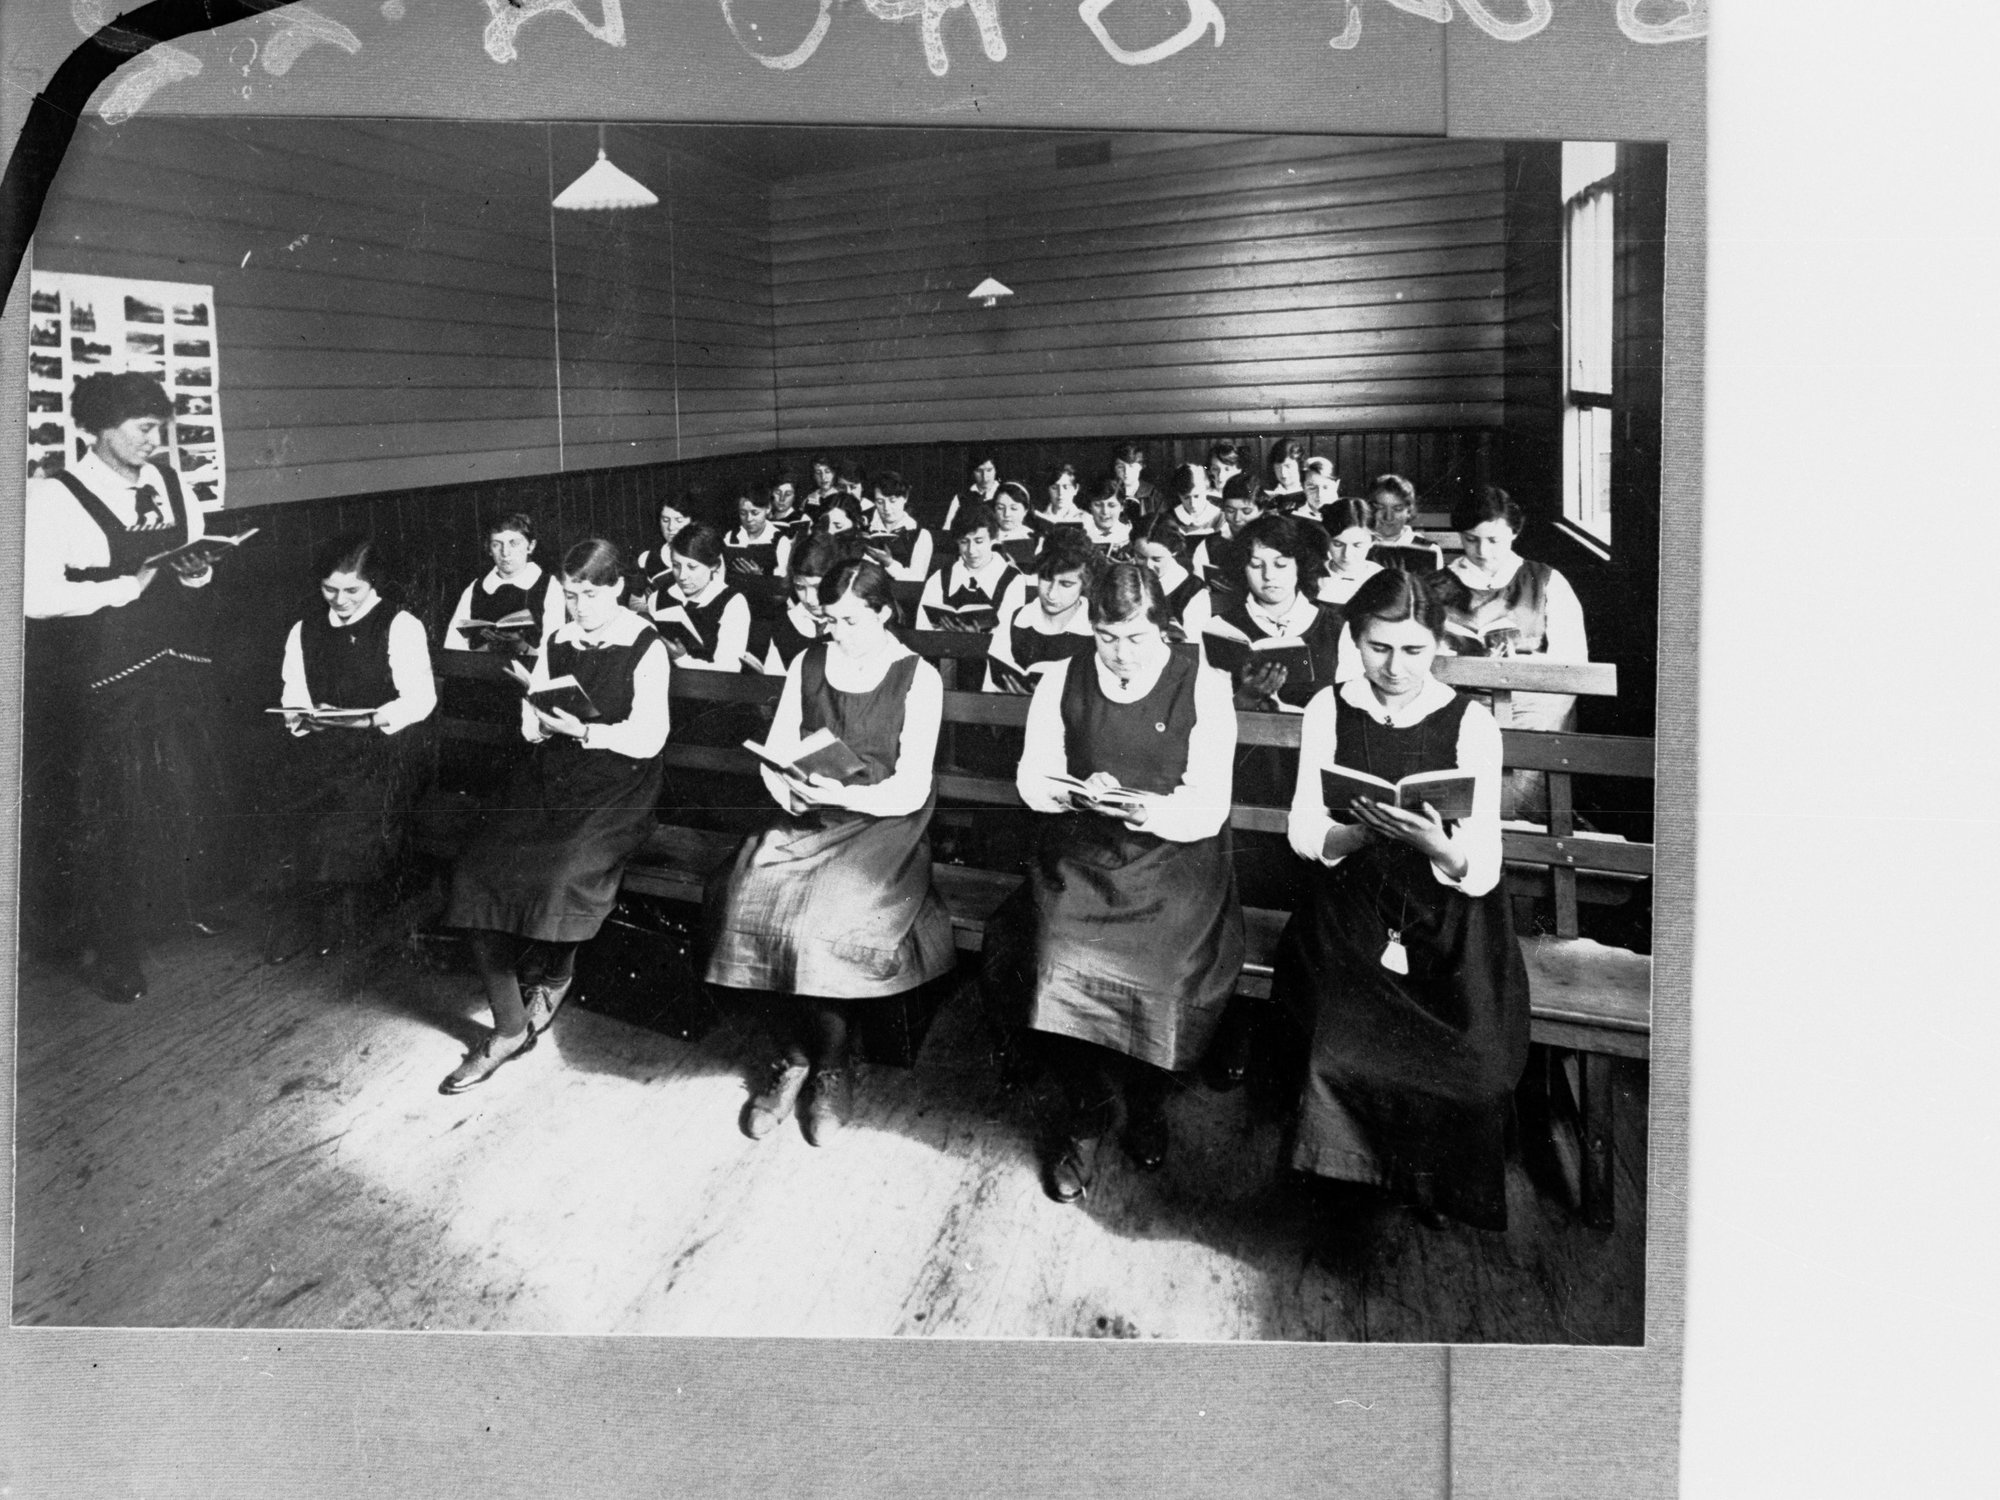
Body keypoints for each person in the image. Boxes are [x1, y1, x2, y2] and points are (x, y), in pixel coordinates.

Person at [1270, 567, 1528, 1237]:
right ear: (1355, 638)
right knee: (1340, 1038)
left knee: (1471, 1062)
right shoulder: (1329, 707)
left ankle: (1429, 1172)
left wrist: (1439, 846)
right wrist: (1356, 832)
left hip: (1447, 913)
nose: (1394, 666)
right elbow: (1303, 830)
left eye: (1413, 650)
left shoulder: (1470, 723)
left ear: (1436, 644)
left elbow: (1485, 863)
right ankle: (1350, 1183)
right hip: (1353, 897)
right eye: (1378, 647)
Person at [985, 563, 1243, 1202]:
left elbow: (1208, 804)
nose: (1120, 653)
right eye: (1105, 637)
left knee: (1165, 967)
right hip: (1083, 853)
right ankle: (1089, 1107)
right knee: (1050, 956)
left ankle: (1148, 1101)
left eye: (1134, 637)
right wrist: (1076, 793)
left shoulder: (1203, 685)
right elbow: (1032, 779)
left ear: (1162, 627)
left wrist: (1144, 808)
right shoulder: (1062, 678)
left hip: (1175, 856)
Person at [704, 559, 956, 1146]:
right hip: (810, 814)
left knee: (818, 922)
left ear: (883, 613)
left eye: (846, 621)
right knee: (740, 900)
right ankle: (793, 1057)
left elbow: (914, 782)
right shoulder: (808, 661)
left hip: (884, 824)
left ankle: (834, 1065)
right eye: (827, 619)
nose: (832, 632)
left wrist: (846, 792)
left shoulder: (917, 676)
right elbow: (782, 746)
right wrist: (790, 789)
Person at [21, 370, 231, 1002]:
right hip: (103, 679)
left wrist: (194, 574)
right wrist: (127, 586)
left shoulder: (173, 484)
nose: (154, 443)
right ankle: (113, 949)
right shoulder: (53, 496)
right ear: (101, 428)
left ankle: (178, 908)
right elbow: (32, 595)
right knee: (113, 816)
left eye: (159, 430)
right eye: (144, 429)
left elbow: (196, 570)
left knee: (183, 791)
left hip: (176, 665)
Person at [439, 540, 670, 1093]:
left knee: (563, 872)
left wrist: (585, 730)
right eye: (570, 595)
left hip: (620, 786)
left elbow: (650, 736)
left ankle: (558, 973)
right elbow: (529, 722)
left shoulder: (645, 645)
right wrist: (542, 720)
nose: (579, 606)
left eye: (591, 594)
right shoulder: (559, 638)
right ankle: (509, 1027)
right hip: (555, 774)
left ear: (617, 589)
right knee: (476, 870)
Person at [268, 535, 439, 965]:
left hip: (388, 746)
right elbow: (295, 696)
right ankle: (307, 911)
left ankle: (340, 914)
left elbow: (419, 700)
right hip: (326, 743)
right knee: (291, 796)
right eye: (329, 590)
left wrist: (367, 719)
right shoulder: (304, 630)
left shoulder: (400, 625)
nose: (339, 600)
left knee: (349, 807)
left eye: (351, 590)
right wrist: (306, 718)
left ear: (372, 585)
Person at [1427, 486, 1590, 819]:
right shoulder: (1431, 587)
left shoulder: (1547, 582)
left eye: (1494, 541)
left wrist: (1520, 670)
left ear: (1515, 533)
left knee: (1521, 774)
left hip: (1533, 709)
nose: (1482, 552)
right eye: (1471, 539)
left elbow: (1575, 667)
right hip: (1455, 707)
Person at [1200, 512, 1353, 711]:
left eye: (1281, 565)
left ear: (1299, 565)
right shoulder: (1219, 628)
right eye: (1256, 565)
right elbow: (1206, 714)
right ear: (1242, 568)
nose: (1269, 576)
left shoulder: (1337, 628)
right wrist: (1244, 699)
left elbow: (1349, 708)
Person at [984, 526, 1103, 692]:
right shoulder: (1017, 619)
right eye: (1046, 579)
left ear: (1084, 584)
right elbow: (989, 690)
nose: (1052, 594)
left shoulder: (1098, 627)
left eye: (1066, 584)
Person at [442, 512, 565, 659]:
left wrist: (522, 647)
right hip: (481, 675)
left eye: (514, 543)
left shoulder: (548, 586)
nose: (505, 553)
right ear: (489, 549)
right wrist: (485, 649)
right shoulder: (475, 588)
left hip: (532, 677)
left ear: (530, 546)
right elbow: (454, 646)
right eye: (496, 544)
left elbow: (553, 651)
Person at [651, 522, 753, 673]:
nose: (682, 576)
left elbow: (729, 669)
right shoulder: (658, 597)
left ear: (714, 566)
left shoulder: (733, 603)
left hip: (713, 691)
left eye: (692, 567)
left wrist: (683, 659)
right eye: (676, 565)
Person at [915, 502, 1028, 635]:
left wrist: (977, 638)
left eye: (979, 541)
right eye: (964, 542)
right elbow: (922, 631)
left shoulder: (1013, 580)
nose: (971, 550)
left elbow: (1008, 636)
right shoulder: (940, 578)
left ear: (993, 539)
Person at [759, 532, 846, 673]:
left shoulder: (855, 623)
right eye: (800, 587)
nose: (809, 599)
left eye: (817, 587)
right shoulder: (782, 624)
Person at [1127, 509, 1213, 641]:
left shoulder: (1193, 591)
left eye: (1157, 559)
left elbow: (1193, 649)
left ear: (1174, 552)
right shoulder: (1124, 577)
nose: (1148, 566)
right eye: (1140, 557)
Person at [858, 469, 935, 582]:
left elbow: (917, 579)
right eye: (880, 502)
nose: (886, 508)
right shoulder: (867, 529)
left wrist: (889, 563)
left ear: (905, 498)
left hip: (904, 596)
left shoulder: (921, 535)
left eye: (892, 501)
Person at [1366, 474, 1445, 572]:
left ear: (1409, 511)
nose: (1388, 517)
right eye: (1381, 507)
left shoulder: (1428, 550)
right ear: (1370, 509)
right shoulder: (1358, 545)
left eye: (1397, 509)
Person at [1316, 497, 1385, 606]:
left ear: (1373, 541)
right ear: (1327, 540)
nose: (1347, 555)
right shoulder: (1312, 577)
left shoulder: (1383, 579)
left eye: (1357, 545)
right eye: (1338, 544)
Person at [722, 481, 795, 583]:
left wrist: (759, 577)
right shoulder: (730, 537)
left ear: (768, 508)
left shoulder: (780, 541)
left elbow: (782, 583)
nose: (749, 519)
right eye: (743, 513)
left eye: (755, 513)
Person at [634, 497, 692, 605]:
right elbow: (635, 602)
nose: (671, 527)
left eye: (679, 520)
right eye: (665, 520)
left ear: (692, 521)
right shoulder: (648, 559)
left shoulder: (709, 555)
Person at [939, 453, 1003, 532]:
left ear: (996, 470)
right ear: (972, 472)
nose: (985, 476)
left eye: (989, 470)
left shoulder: (1005, 493)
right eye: (979, 471)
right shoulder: (961, 497)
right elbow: (947, 528)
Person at [989, 480, 1043, 569]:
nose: (1006, 514)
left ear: (1025, 511)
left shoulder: (1035, 539)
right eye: (1000, 508)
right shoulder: (987, 536)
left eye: (1013, 508)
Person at [1163, 461, 1224, 540]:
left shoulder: (1219, 518)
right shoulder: (1169, 518)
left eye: (1196, 496)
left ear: (1206, 489)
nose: (1193, 504)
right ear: (1179, 496)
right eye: (1186, 498)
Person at [1110, 439, 1164, 520]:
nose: (1126, 472)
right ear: (1114, 468)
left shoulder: (1154, 495)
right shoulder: (1107, 493)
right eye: (1120, 467)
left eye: (1131, 466)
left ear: (1141, 466)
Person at [1078, 475, 1133, 554]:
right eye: (1098, 505)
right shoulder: (1081, 532)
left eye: (1111, 505)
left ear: (1122, 507)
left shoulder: (1127, 534)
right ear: (1090, 506)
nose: (1105, 512)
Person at [1260, 438, 1310, 512]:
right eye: (1278, 467)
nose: (1283, 473)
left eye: (1288, 466)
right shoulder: (1267, 494)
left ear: (1299, 465)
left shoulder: (1310, 492)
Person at [1033, 462, 1087, 530]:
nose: (1060, 493)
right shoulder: (1040, 517)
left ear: (1076, 489)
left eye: (1066, 487)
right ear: (1048, 490)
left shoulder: (1085, 518)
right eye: (1054, 488)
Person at [1301, 456, 1342, 520]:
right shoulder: (1293, 517)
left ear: (1336, 485)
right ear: (1303, 487)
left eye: (1325, 487)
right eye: (1312, 488)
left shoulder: (1348, 514)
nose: (1319, 494)